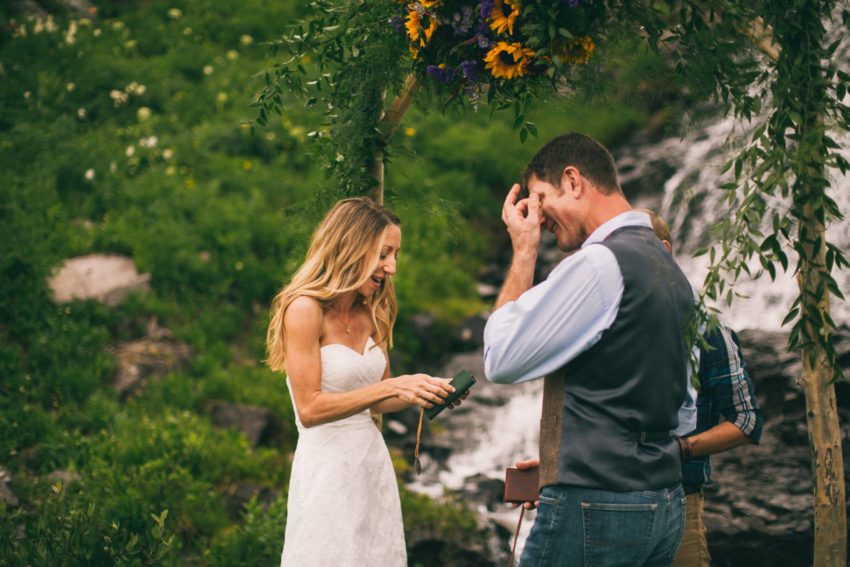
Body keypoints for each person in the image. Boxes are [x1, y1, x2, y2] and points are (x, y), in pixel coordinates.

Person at [484, 133, 693, 566]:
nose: (538, 217)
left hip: (599, 503)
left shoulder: (598, 264)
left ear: (573, 181)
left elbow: (501, 359)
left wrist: (523, 251)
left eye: (541, 197)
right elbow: (683, 406)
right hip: (664, 503)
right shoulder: (668, 266)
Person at [266, 197, 456, 566]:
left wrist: (423, 390)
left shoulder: (373, 312)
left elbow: (380, 401)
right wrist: (391, 386)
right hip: (326, 468)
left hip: (370, 465)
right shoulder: (304, 309)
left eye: (395, 254)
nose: (392, 267)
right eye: (384, 254)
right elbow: (309, 408)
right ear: (352, 245)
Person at [648, 211, 763, 567]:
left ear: (663, 252)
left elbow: (746, 422)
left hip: (679, 502)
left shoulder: (709, 332)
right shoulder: (609, 328)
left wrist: (681, 448)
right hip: (606, 505)